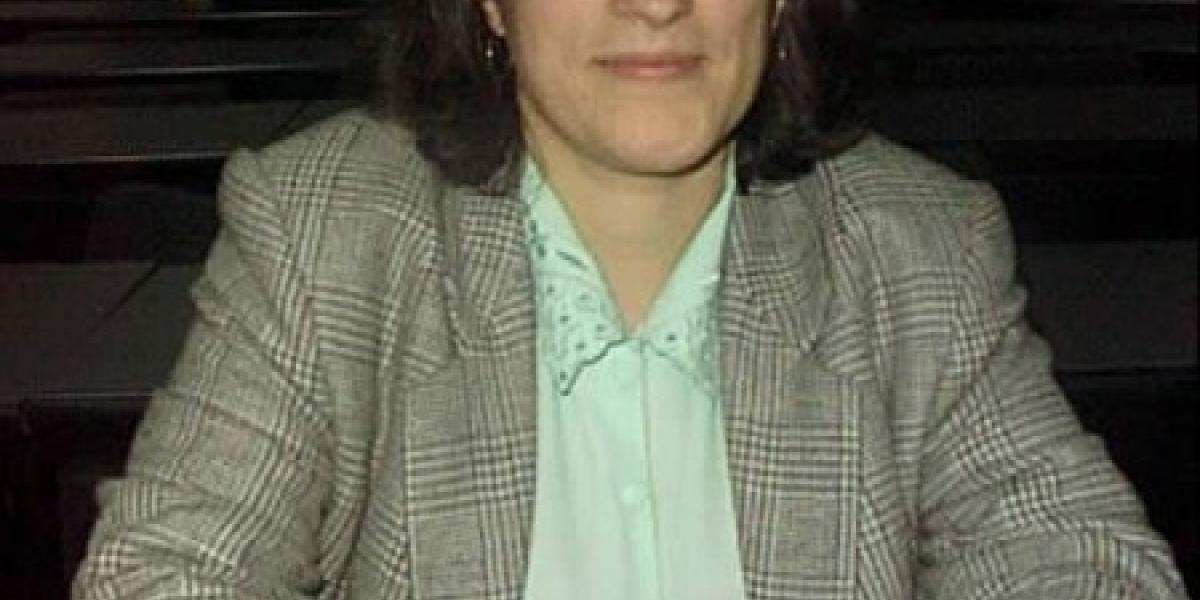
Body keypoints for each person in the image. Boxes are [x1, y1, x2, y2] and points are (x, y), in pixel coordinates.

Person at [74, 0, 1186, 598]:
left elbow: (1087, 565)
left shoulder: (919, 247)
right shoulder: (328, 232)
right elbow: (165, 575)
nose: (657, 6)